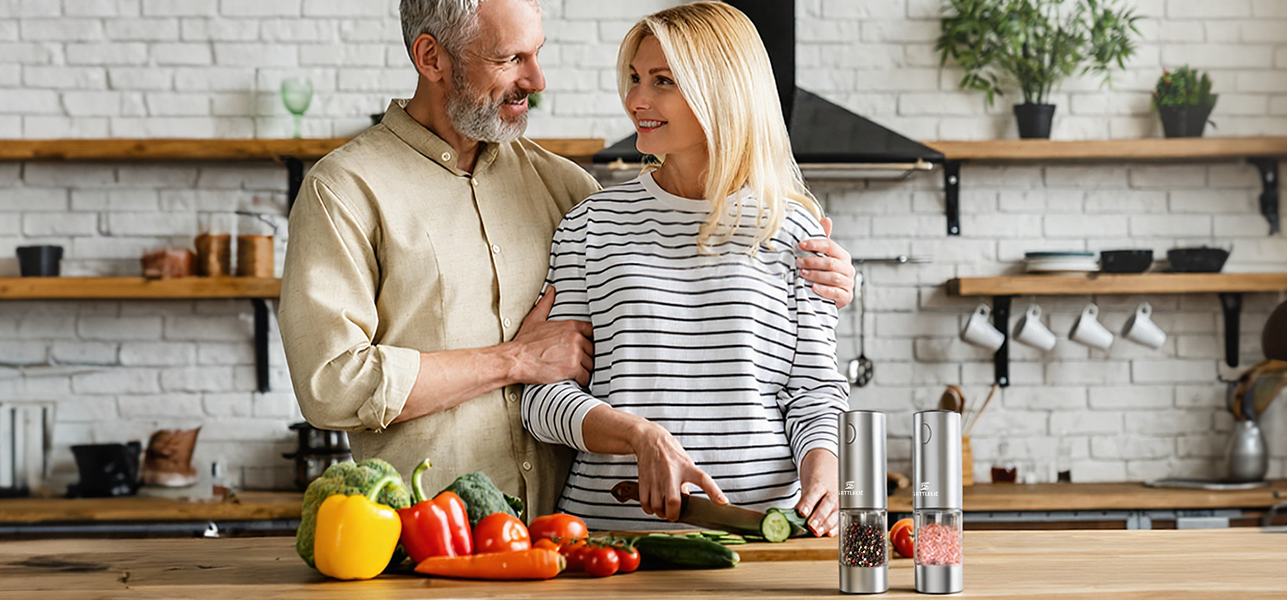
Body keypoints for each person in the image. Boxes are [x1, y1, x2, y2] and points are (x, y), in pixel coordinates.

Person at [278, 0, 856, 520]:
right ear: (431, 56)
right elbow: (333, 385)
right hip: (425, 527)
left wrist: (835, 280)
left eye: (537, 53)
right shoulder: (346, 189)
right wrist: (514, 361)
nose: (537, 79)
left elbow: (800, 378)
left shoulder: (568, 190)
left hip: (559, 536)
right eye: (510, 58)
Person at [521, 2, 849, 537]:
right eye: (633, 78)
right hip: (610, 540)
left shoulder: (792, 229)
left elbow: (814, 392)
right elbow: (542, 398)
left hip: (761, 536)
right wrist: (638, 435)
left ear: (720, 92)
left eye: (662, 81)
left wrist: (825, 474)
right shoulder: (591, 224)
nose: (636, 100)